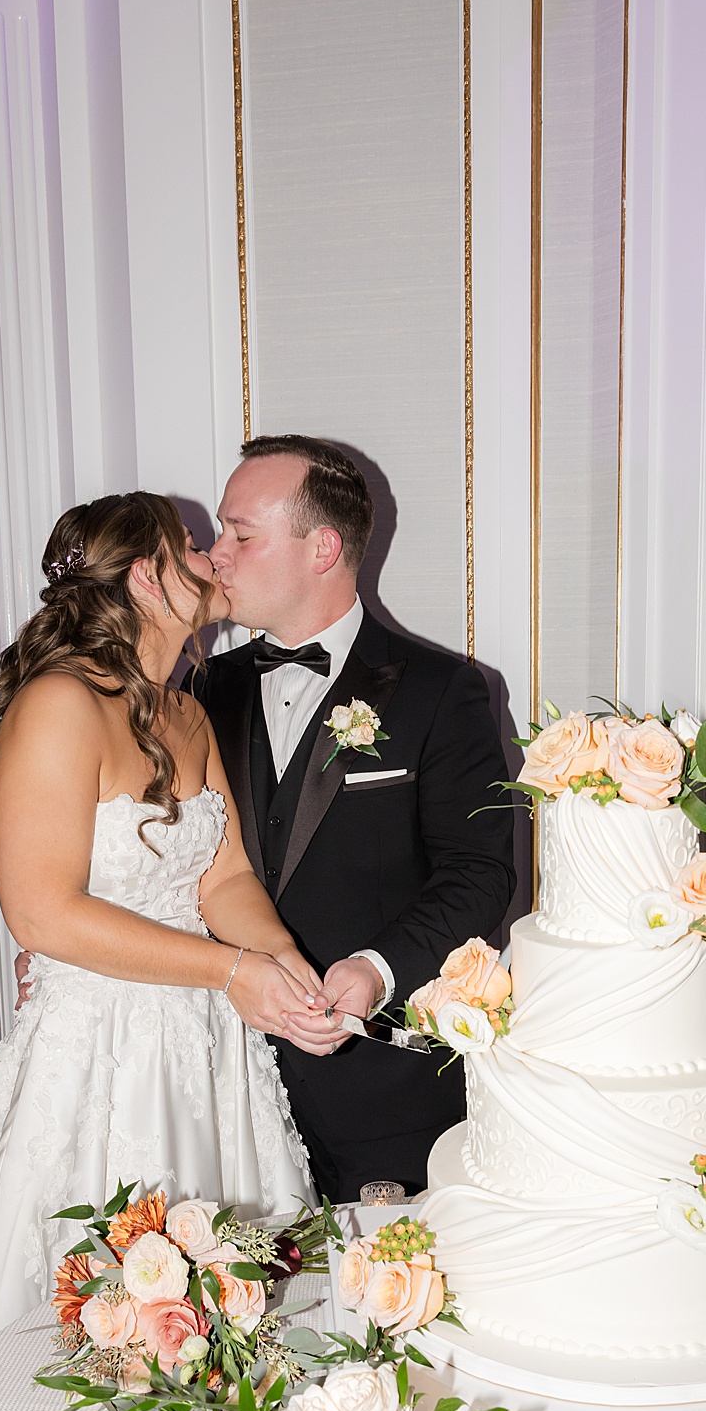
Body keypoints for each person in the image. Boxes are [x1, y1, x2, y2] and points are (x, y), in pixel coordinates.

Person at [0, 492, 322, 1411]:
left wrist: (288, 974)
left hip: (207, 1048)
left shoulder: (187, 712)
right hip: (100, 1048)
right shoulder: (60, 702)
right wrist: (230, 967)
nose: (210, 557)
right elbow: (43, 913)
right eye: (187, 546)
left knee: (222, 1303)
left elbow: (226, 877)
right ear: (147, 577)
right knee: (99, 1297)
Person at [190, 435, 516, 1204]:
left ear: (323, 547)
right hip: (217, 1080)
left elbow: (480, 874)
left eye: (239, 533)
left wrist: (375, 968)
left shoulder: (446, 692)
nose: (215, 554)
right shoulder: (200, 688)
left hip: (381, 1091)